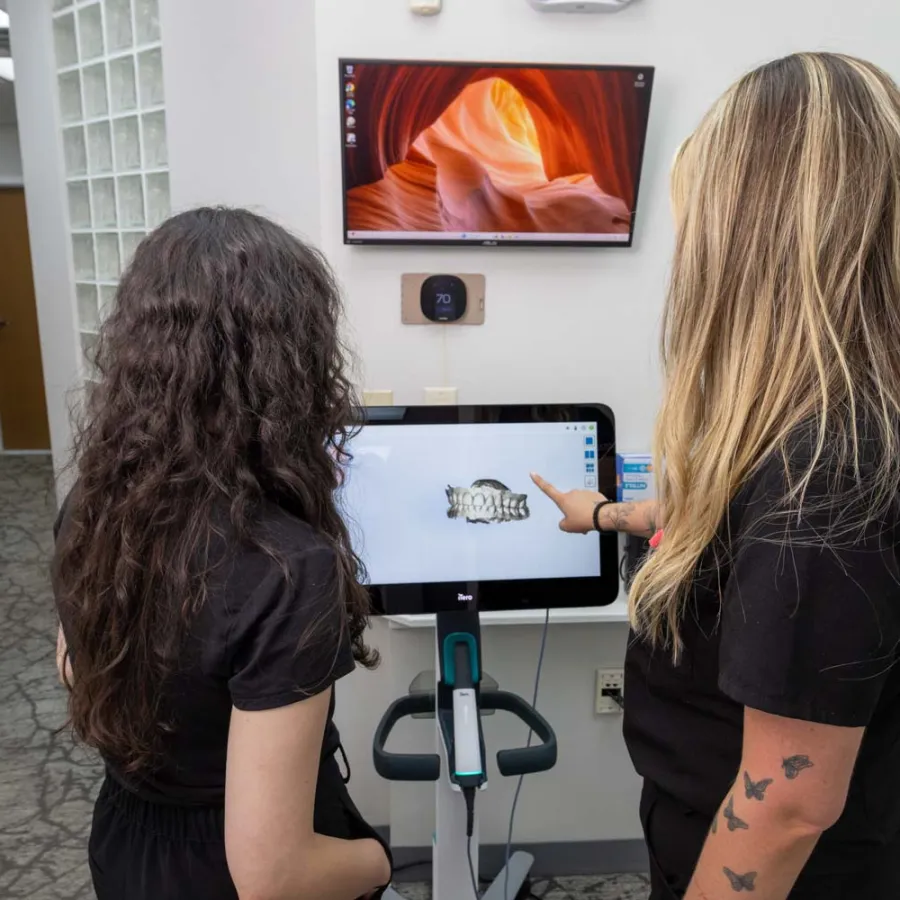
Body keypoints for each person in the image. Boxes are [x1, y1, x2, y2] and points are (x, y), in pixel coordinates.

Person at [534, 52, 900, 899]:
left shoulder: (828, 469)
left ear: (750, 233)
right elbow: (739, 532)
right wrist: (605, 515)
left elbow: (789, 805)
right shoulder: (813, 428)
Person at [53, 208, 393, 900]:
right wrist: (380, 860)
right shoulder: (286, 568)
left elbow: (72, 661)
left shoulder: (94, 507)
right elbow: (274, 876)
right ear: (291, 364)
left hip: (127, 842)